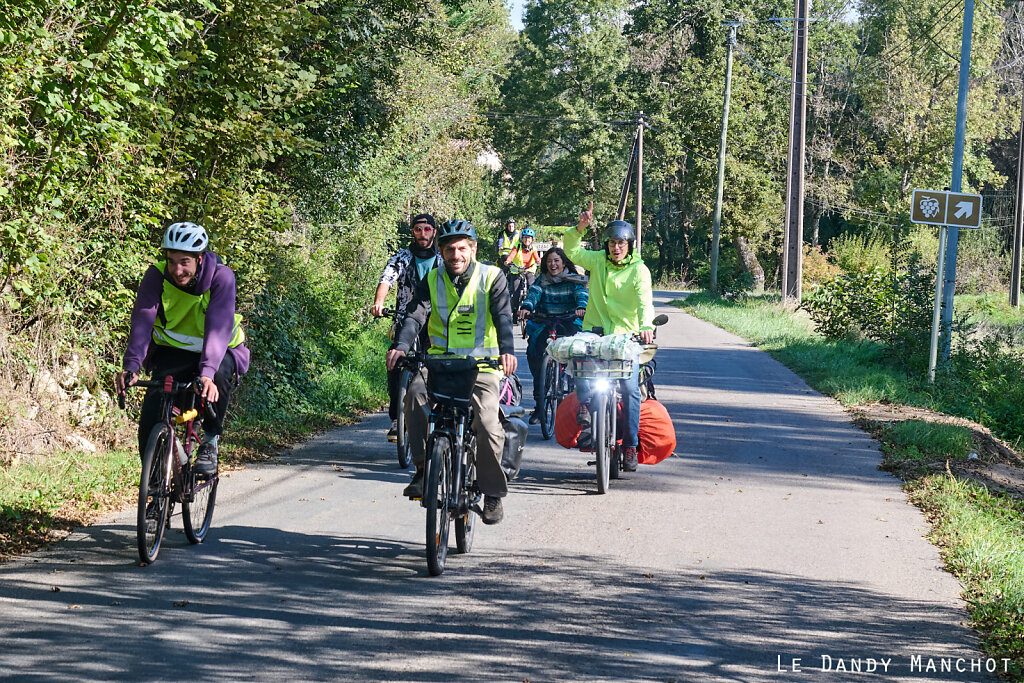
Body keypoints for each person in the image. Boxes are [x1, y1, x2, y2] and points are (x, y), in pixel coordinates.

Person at [386, 219, 517, 524]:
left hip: (481, 367)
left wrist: (507, 351)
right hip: (439, 364)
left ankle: (493, 492)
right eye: (449, 250)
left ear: (472, 249)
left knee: (486, 422)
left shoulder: (491, 277)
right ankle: (422, 470)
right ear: (441, 252)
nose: (455, 255)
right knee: (414, 397)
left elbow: (503, 316)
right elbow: (415, 315)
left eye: (461, 249)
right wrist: (402, 345)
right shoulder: (432, 279)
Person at [115, 222, 250, 478]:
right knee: (151, 416)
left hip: (219, 353)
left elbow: (218, 329)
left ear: (199, 259)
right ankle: (156, 489)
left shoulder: (221, 278)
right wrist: (131, 366)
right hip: (172, 352)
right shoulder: (156, 276)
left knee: (218, 377)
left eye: (185, 262)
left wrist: (207, 373)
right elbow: (142, 322)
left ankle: (209, 441)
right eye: (172, 261)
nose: (178, 270)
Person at [564, 206, 655, 472]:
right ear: (607, 245)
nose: (616, 248)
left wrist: (646, 325)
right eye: (613, 243)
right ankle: (585, 403)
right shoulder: (597, 261)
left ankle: (629, 445)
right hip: (595, 330)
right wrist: (579, 228)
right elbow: (573, 252)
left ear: (630, 245)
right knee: (578, 360)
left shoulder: (639, 270)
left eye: (621, 243)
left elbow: (644, 302)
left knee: (629, 389)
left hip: (627, 337)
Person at [370, 213, 443, 442]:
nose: (423, 234)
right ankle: (396, 419)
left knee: (439, 363)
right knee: (395, 361)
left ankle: (438, 414)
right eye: (418, 229)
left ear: (434, 231)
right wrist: (379, 302)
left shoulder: (442, 260)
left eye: (427, 229)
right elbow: (387, 279)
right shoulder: (402, 257)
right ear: (412, 232)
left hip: (436, 321)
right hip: (406, 318)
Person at [517, 247, 587, 423]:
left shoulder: (573, 280)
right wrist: (526, 307)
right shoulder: (542, 281)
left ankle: (580, 404)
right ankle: (539, 407)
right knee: (534, 353)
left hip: (568, 322)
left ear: (564, 263)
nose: (553, 264)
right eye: (549, 261)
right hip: (545, 323)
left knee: (578, 354)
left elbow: (581, 295)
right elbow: (533, 295)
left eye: (556, 260)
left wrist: (581, 307)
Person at [504, 227, 540, 308]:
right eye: (525, 237)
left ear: (532, 239)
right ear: (522, 238)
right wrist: (508, 261)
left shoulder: (533, 249)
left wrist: (539, 262)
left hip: (529, 270)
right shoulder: (517, 246)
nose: (527, 240)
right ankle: (515, 309)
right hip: (517, 270)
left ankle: (533, 306)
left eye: (529, 238)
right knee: (515, 292)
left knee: (532, 287)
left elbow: (537, 258)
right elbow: (512, 255)